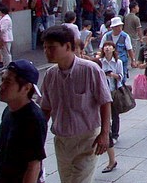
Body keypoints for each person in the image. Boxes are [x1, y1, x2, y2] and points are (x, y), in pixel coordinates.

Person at [41, 25, 112, 183]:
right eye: (45, 48)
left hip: (87, 139)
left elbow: (105, 102)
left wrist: (104, 133)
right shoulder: (50, 75)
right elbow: (45, 108)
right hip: (62, 140)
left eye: (51, 47)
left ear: (67, 46)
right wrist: (38, 135)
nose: (46, 51)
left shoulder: (90, 70)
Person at [0, 59, 47, 183]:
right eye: (2, 80)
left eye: (7, 82)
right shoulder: (8, 110)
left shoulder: (33, 118)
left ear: (26, 88)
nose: (1, 86)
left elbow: (34, 165)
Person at [100, 40, 123, 173]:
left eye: (110, 46)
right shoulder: (100, 62)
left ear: (114, 49)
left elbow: (121, 77)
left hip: (113, 91)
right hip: (103, 92)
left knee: (114, 114)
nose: (107, 48)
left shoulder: (118, 62)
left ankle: (114, 133)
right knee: (105, 118)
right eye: (105, 46)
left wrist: (112, 75)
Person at [99, 16, 136, 81]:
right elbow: (101, 48)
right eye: (117, 26)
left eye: (120, 26)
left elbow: (129, 49)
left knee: (121, 78)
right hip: (109, 60)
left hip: (122, 60)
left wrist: (133, 60)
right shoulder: (106, 36)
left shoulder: (125, 36)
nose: (119, 28)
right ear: (112, 27)